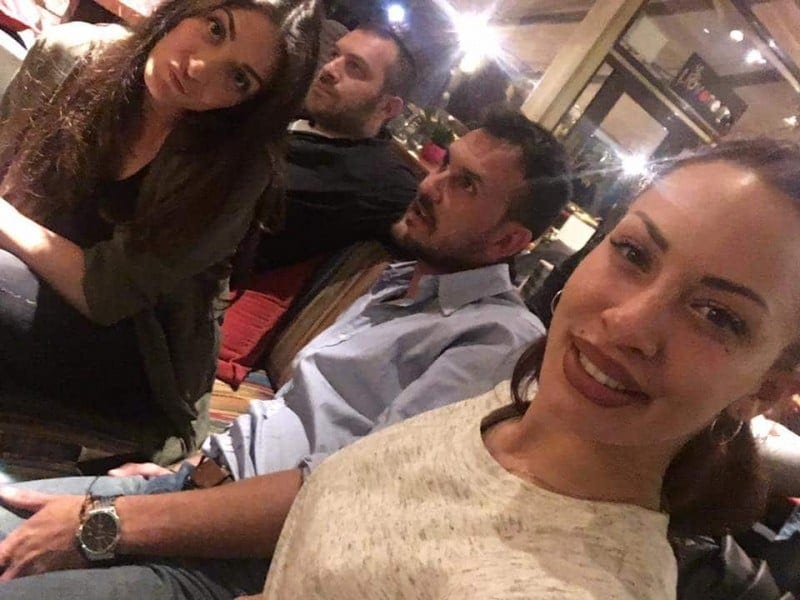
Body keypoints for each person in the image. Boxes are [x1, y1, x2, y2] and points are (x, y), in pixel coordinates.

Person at [0, 109, 572, 599]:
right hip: (184, 494)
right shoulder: (401, 282)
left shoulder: (495, 343)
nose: (431, 185)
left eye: (465, 185)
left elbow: (342, 495)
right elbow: (294, 415)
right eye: (445, 164)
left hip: (229, 562)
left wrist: (113, 522)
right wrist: (184, 472)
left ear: (508, 241)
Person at [256, 139, 800, 599]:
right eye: (634, 254)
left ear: (765, 388)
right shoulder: (511, 410)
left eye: (718, 315)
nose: (627, 324)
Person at [0, 0, 319, 462]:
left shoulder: (232, 171)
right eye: (215, 28)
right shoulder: (71, 54)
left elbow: (107, 292)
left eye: (238, 78)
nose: (198, 68)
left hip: (138, 350)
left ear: (251, 104)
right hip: (26, 278)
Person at [254, 22, 419, 271]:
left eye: (354, 67)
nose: (329, 69)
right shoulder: (293, 108)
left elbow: (429, 241)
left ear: (387, 107)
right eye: (334, 55)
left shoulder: (379, 179)